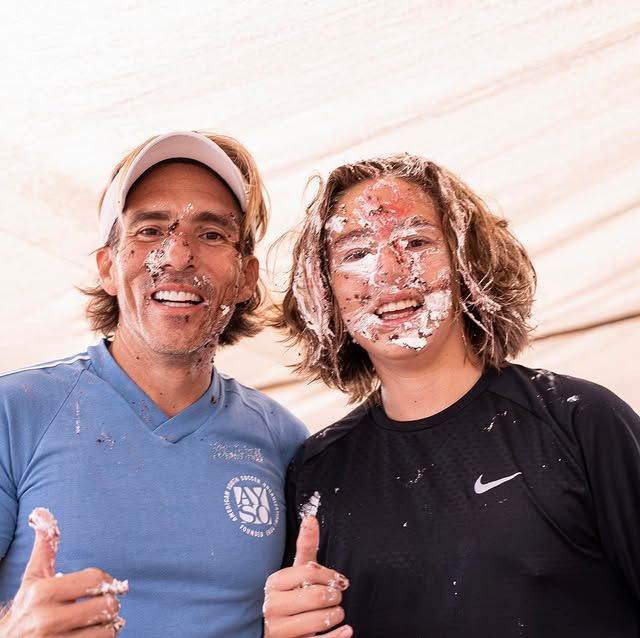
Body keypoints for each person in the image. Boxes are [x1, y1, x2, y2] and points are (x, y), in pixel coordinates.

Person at [262, 155, 640, 638]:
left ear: (467, 263)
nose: (388, 272)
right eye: (356, 253)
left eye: (416, 242)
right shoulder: (314, 473)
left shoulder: (581, 422)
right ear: (324, 291)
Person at [0, 130, 307, 637]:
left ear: (246, 277)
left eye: (211, 235)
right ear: (107, 266)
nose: (178, 256)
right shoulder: (16, 413)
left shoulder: (285, 441)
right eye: (148, 231)